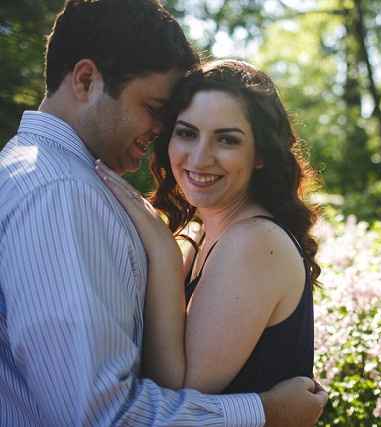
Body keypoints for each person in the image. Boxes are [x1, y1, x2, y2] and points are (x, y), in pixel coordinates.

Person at [0, 0, 326, 426]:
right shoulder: (61, 191)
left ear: (260, 152)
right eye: (168, 119)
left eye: (226, 139)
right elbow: (101, 413)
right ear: (85, 80)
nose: (162, 133)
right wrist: (267, 411)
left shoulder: (41, 174)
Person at [95, 59, 320, 395]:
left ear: (259, 153)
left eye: (227, 140)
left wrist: (161, 247)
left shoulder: (255, 242)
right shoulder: (202, 235)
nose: (200, 158)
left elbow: (181, 399)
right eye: (186, 133)